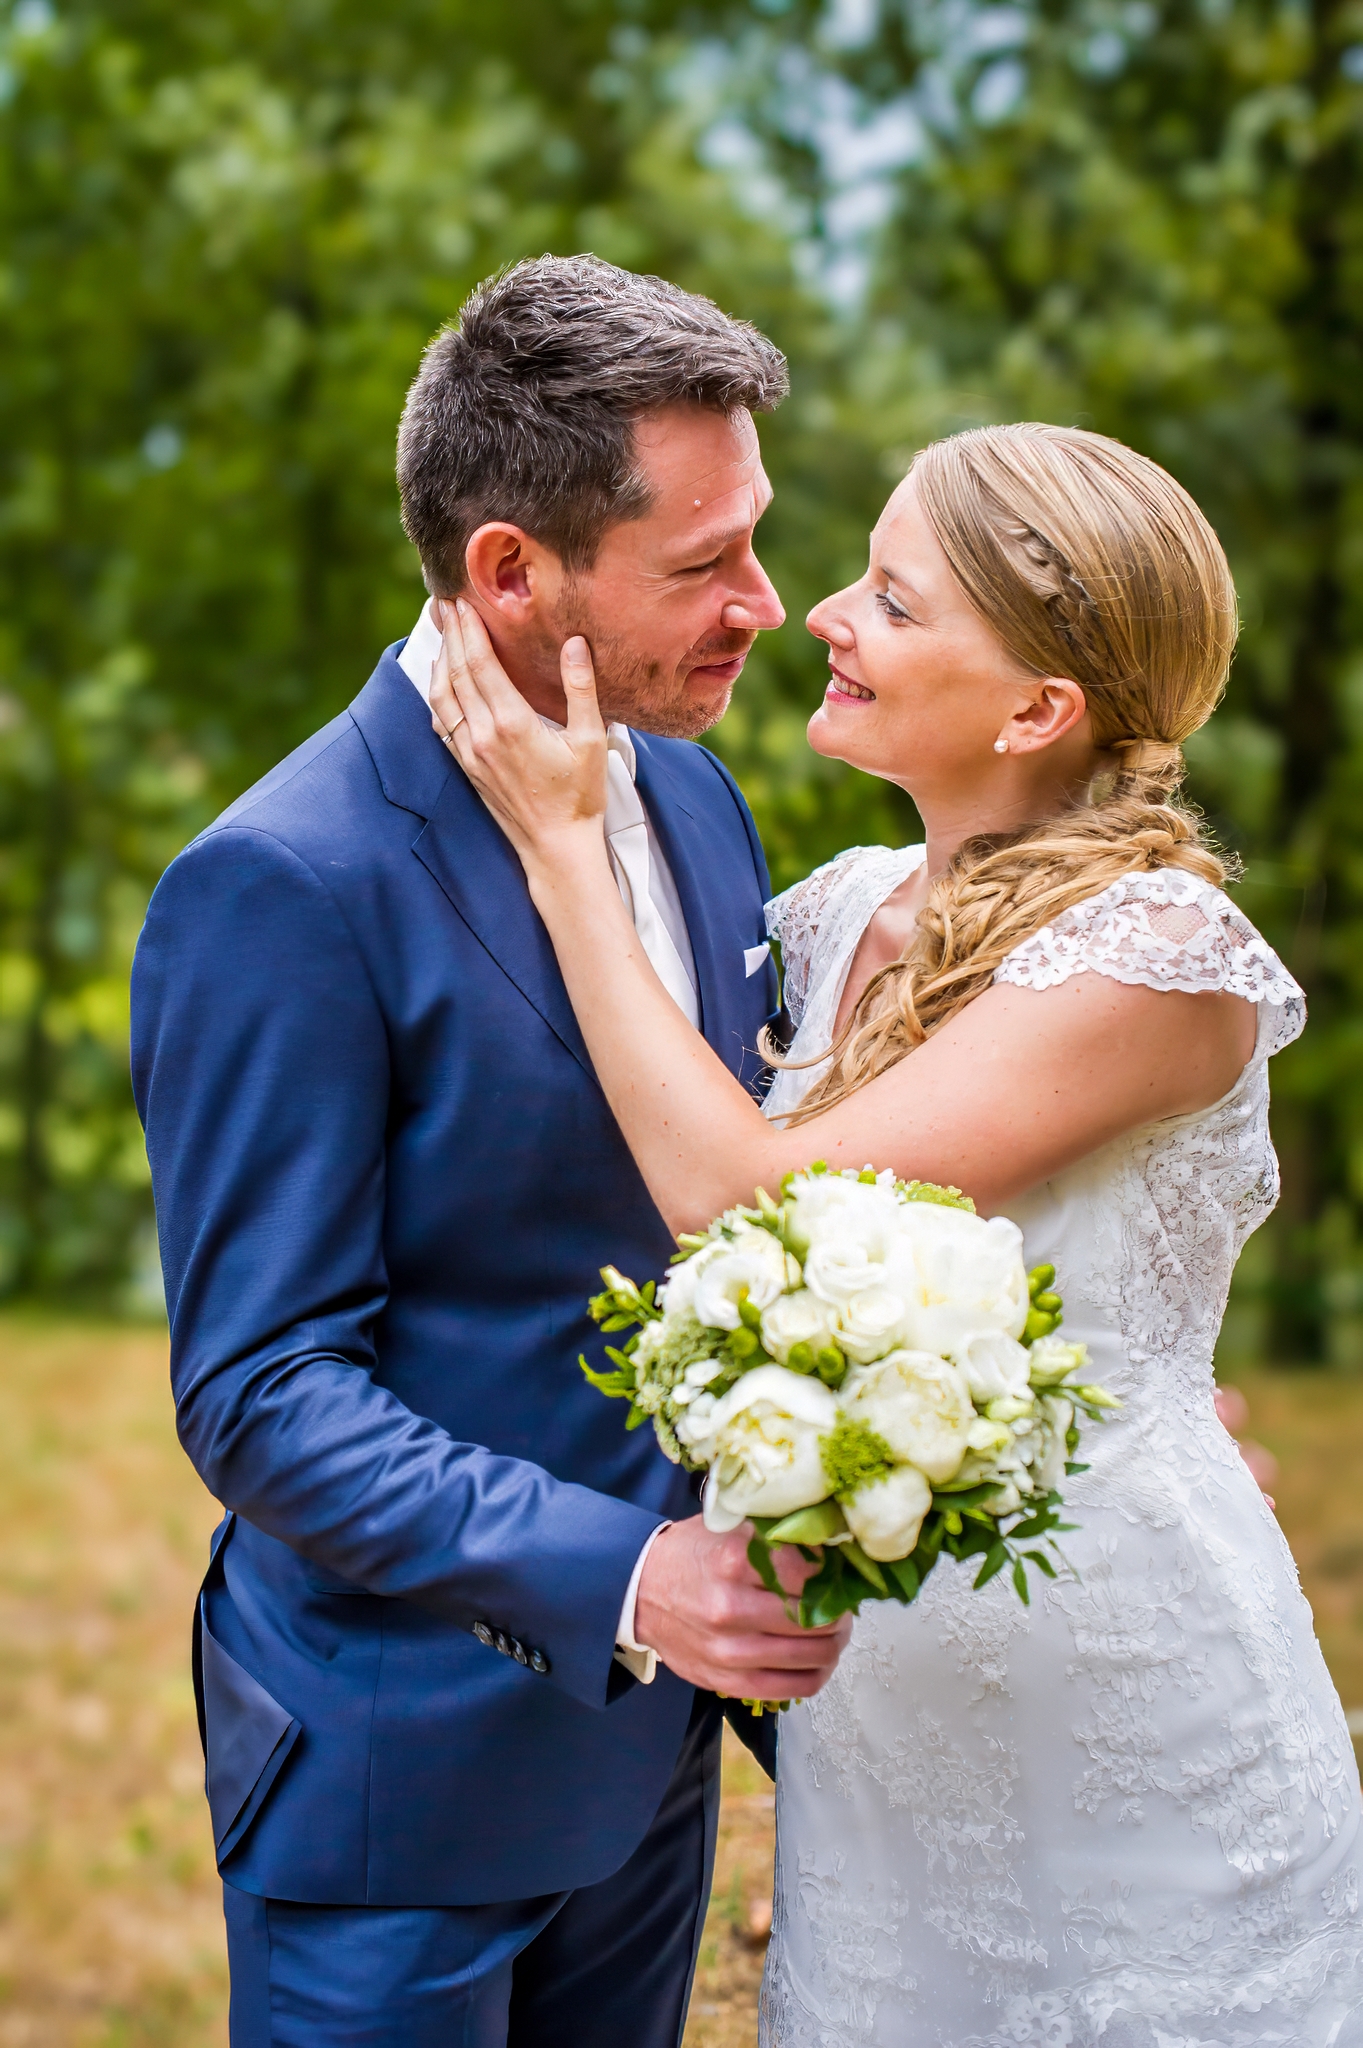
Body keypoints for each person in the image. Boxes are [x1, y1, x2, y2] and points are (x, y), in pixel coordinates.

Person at [429, 419, 1363, 2044]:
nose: (822, 617)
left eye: (894, 599)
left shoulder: (1161, 955)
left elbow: (754, 1204)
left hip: (1119, 1703)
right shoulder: (834, 910)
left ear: (1037, 709)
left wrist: (565, 848)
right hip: (877, 1726)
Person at [129, 255, 853, 2048]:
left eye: (756, 536)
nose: (769, 604)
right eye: (703, 565)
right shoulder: (282, 882)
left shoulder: (691, 788)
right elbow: (264, 1392)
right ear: (510, 572)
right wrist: (626, 1580)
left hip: (650, 1772)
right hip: (401, 1792)